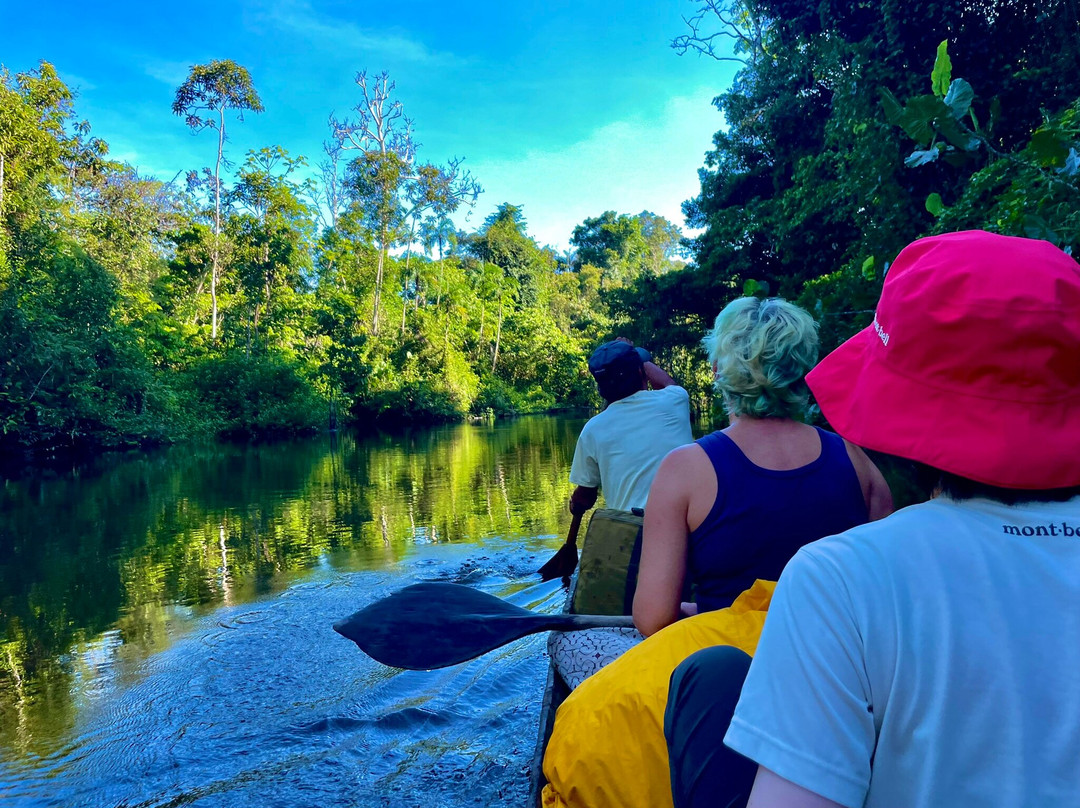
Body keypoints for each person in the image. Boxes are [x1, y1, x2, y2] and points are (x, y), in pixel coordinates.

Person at [665, 230, 1080, 808]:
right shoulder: (855, 474)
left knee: (708, 676)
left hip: (750, 643)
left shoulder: (839, 575)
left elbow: (650, 616)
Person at [633, 296, 891, 637]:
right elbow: (883, 596)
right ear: (804, 371)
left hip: (732, 675)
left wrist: (706, 610)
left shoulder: (683, 470)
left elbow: (653, 620)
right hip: (832, 668)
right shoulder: (858, 462)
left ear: (717, 371)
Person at [567, 338, 693, 516]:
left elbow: (586, 497)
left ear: (601, 389)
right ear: (642, 372)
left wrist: (575, 503)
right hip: (683, 524)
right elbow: (666, 383)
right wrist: (634, 354)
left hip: (629, 534)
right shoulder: (675, 401)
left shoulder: (592, 430)